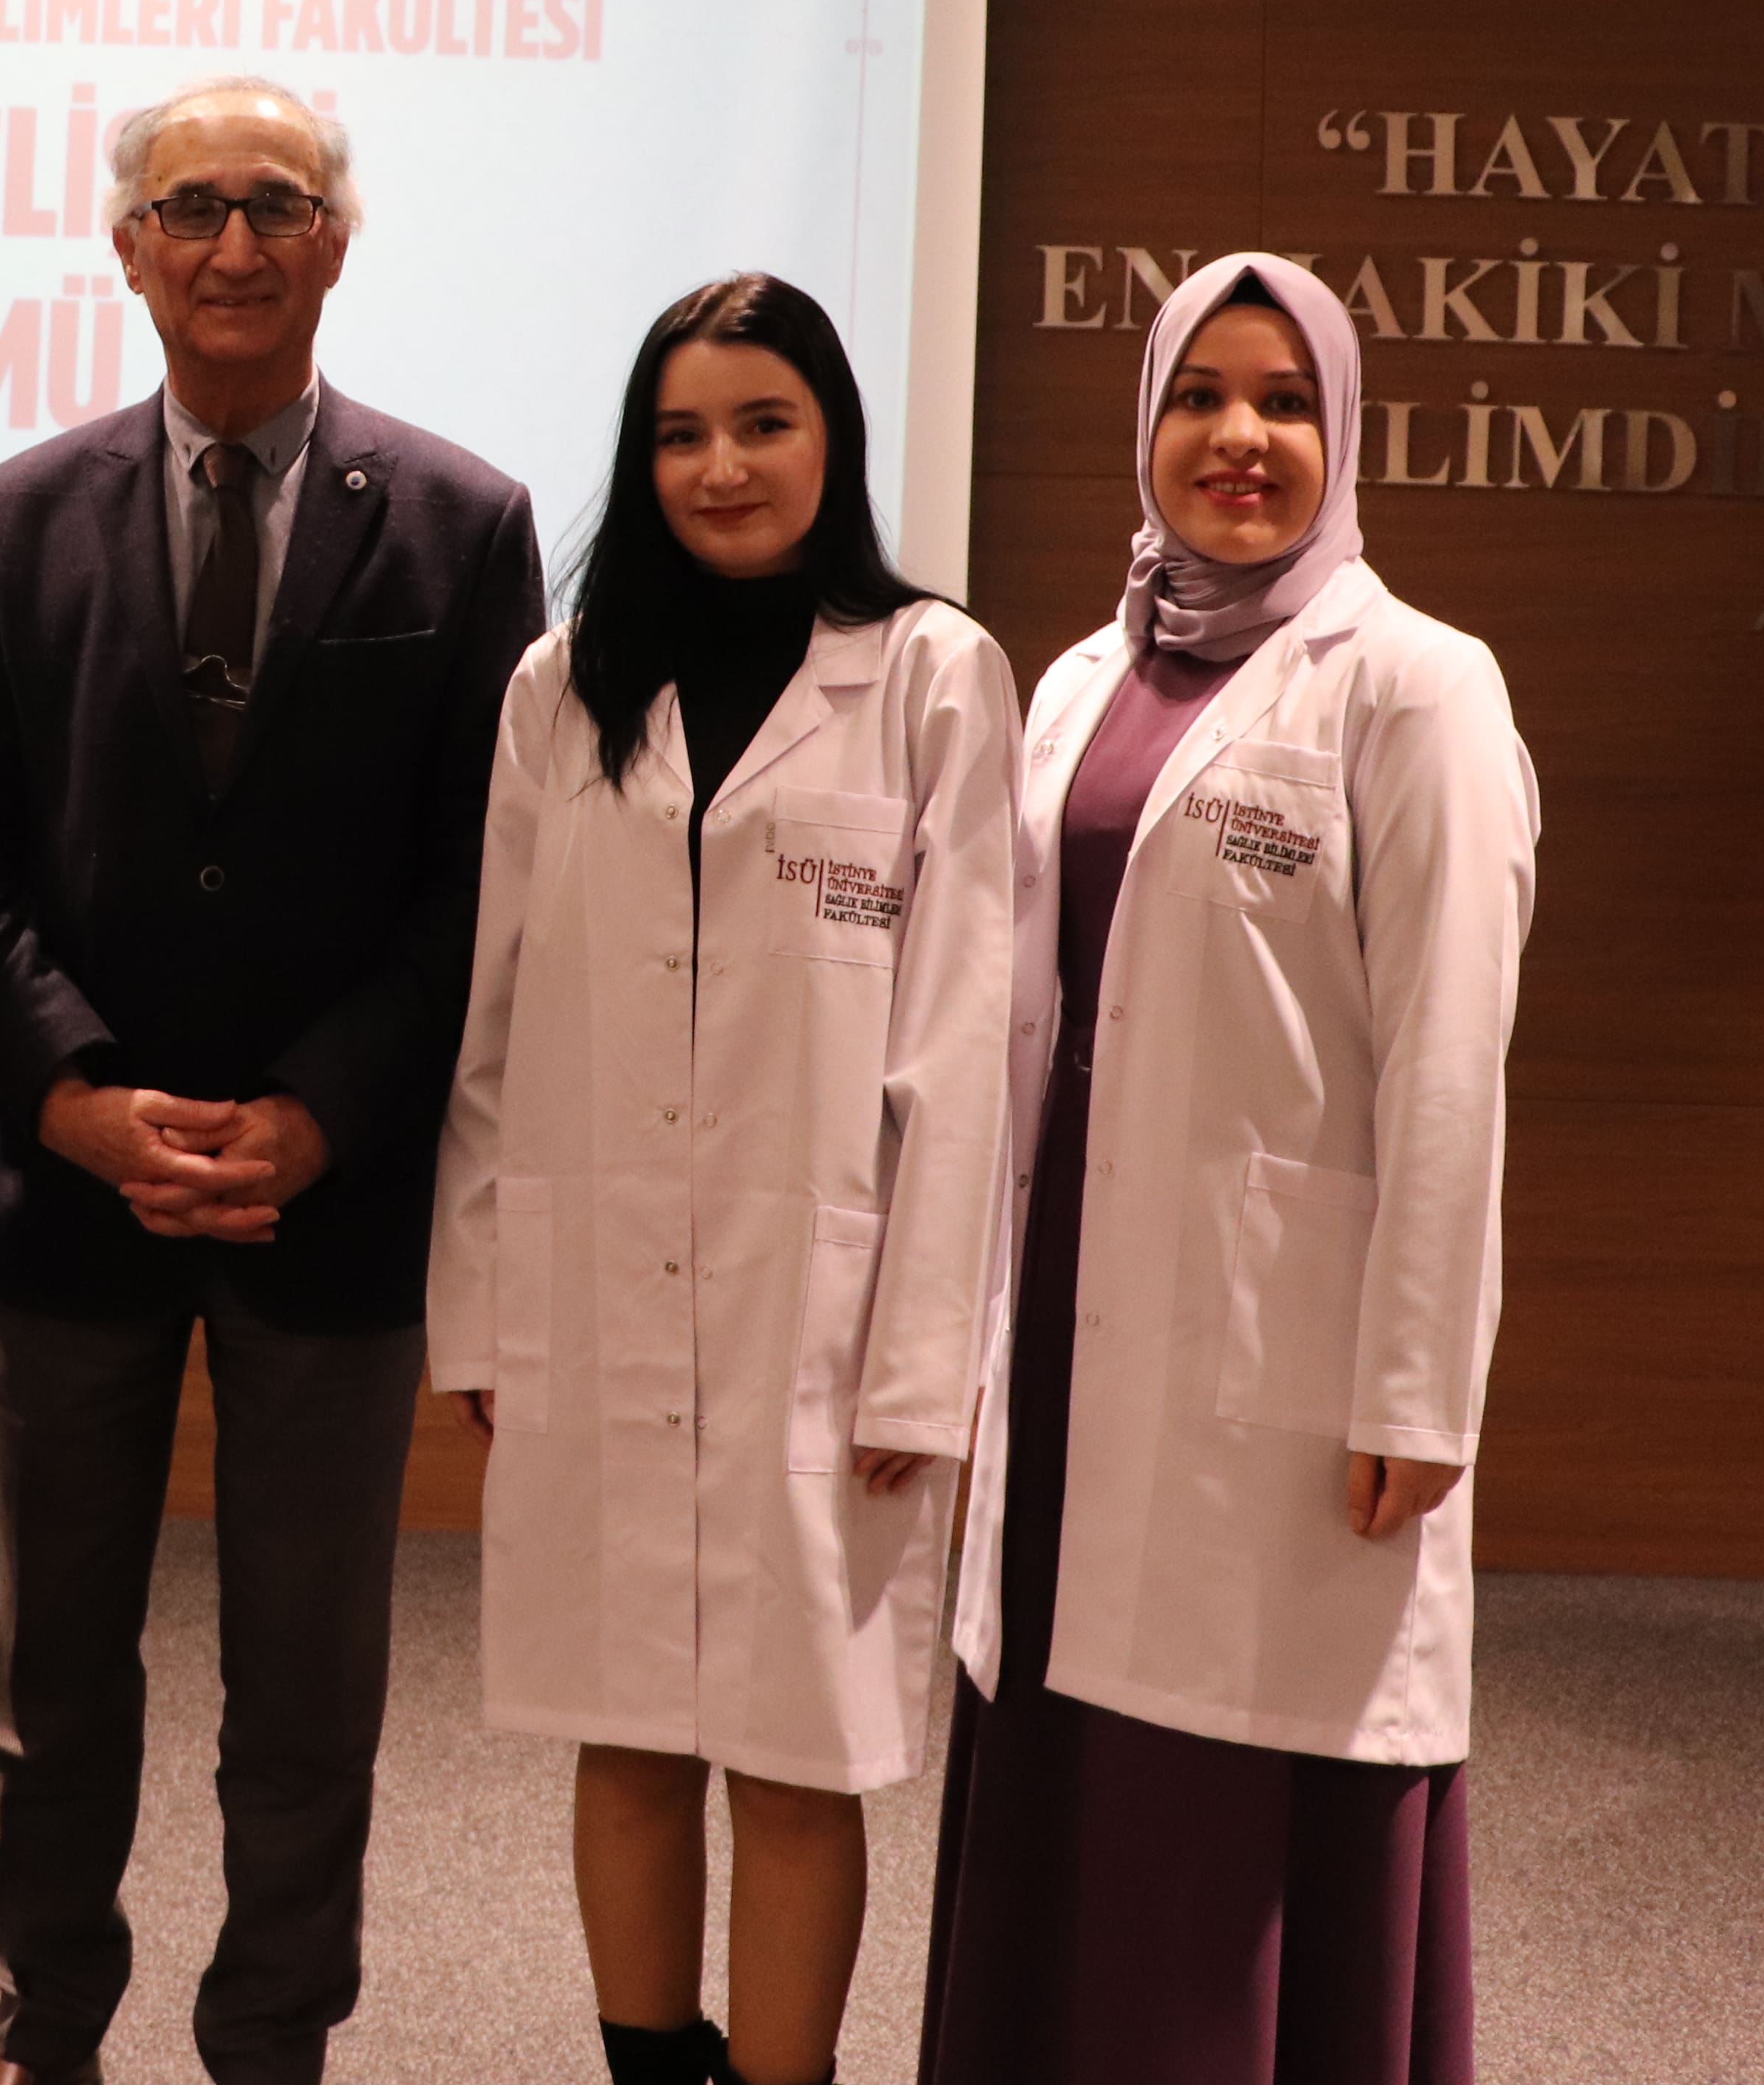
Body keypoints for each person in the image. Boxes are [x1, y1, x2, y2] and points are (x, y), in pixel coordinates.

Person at [0, 76, 544, 2085]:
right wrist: (70, 1091)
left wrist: (320, 1109)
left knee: (308, 1684)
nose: (235, 243)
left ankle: (274, 2036)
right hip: (75, 1184)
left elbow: (484, 869)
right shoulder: (16, 515)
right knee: (54, 1670)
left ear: (337, 243)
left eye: (278, 204)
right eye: (191, 206)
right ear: (128, 248)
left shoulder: (463, 522)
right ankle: (44, 2021)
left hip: (329, 1195)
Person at [917, 252, 1537, 2085]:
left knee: (1223, 1804)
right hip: (1065, 1325)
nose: (1238, 436)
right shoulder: (1077, 679)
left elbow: (1449, 1063)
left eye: (1284, 399)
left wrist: (1417, 1388)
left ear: (1344, 433)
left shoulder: (1417, 685)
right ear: (1146, 426)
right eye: (1198, 395)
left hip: (1280, 1348)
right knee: (1064, 1762)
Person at [431, 276, 1019, 2085]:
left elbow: (964, 1046)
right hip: (595, 1285)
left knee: (795, 1747)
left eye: (764, 422)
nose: (721, 465)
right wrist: (480, 1307)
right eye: (680, 434)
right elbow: (492, 1020)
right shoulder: (564, 685)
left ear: (833, 437)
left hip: (823, 1314)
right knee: (621, 1726)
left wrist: (924, 1357)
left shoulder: (929, 675)